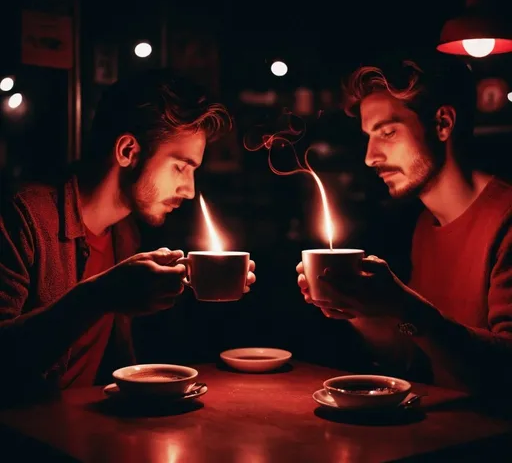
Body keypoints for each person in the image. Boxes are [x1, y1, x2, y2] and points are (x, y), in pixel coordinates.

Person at [0, 69, 256, 398]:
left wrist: (194, 281)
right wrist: (98, 295)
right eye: (180, 166)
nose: (190, 190)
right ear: (127, 151)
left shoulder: (125, 233)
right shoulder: (23, 217)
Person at [296, 53, 512, 394]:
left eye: (387, 132)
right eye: (369, 136)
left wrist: (404, 305)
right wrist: (360, 310)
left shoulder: (506, 222)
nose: (370, 156)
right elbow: (416, 359)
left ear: (442, 124)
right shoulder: (426, 227)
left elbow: (505, 372)